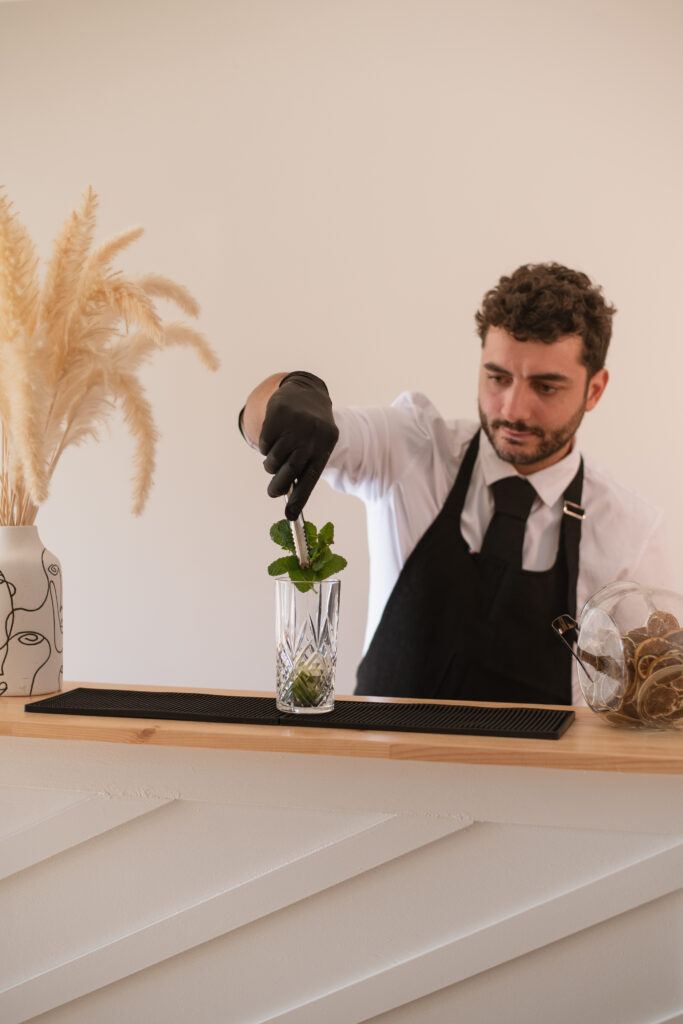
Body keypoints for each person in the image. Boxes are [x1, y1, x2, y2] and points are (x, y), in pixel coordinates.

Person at [239, 263, 673, 705]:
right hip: (379, 768)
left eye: (546, 387)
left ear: (594, 390)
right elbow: (260, 419)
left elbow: (650, 703)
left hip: (540, 775)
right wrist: (292, 394)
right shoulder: (413, 448)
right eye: (497, 378)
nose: (513, 409)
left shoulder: (632, 535)